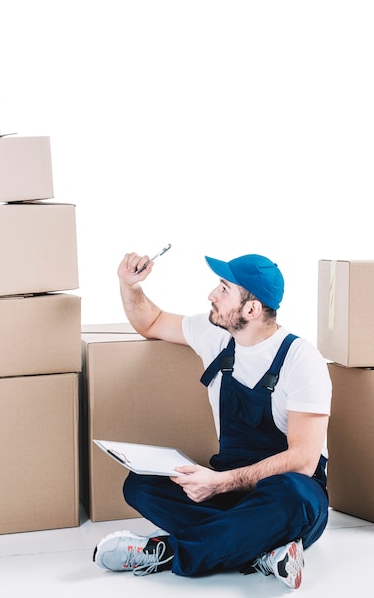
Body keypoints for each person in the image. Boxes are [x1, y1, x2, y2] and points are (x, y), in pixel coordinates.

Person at [93, 251, 332, 589]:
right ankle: (263, 551)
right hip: (230, 486)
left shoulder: (301, 360)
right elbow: (151, 321)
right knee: (141, 485)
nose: (211, 295)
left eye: (223, 289)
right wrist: (128, 285)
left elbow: (304, 461)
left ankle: (167, 552)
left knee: (293, 495)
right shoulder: (216, 335)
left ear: (251, 309)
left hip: (283, 492)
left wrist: (220, 483)